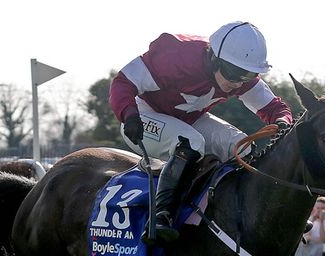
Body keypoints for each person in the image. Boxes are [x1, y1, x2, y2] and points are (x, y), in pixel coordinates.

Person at [109, 21, 292, 244]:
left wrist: (283, 122)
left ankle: (250, 213)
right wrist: (129, 113)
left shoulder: (238, 74)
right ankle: (160, 217)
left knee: (241, 146)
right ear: (214, 57)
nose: (238, 83)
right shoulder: (176, 56)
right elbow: (123, 81)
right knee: (191, 141)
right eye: (234, 74)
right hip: (143, 116)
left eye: (247, 75)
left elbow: (275, 108)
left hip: (188, 119)